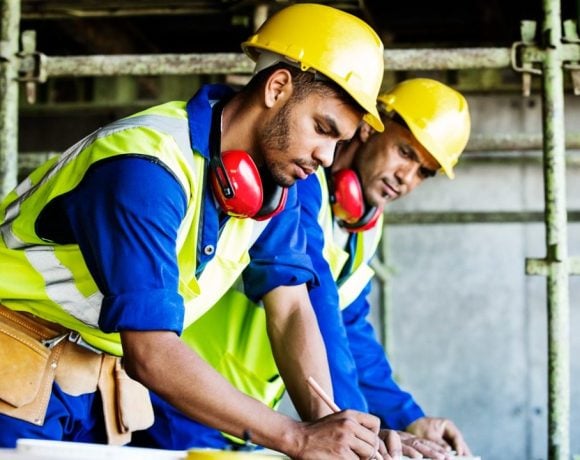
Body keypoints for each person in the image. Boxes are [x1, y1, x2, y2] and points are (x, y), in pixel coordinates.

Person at [0, 4, 401, 458]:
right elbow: (150, 350)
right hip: (15, 370)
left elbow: (290, 308)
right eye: (322, 128)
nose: (327, 158)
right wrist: (297, 438)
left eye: (339, 142)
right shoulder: (145, 166)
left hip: (92, 391)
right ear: (277, 87)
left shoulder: (274, 187)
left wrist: (334, 428)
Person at [154, 78, 473, 459]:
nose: (407, 177)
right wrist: (357, 431)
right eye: (405, 152)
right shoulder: (300, 183)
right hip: (182, 394)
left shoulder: (364, 226)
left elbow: (349, 325)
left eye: (423, 172)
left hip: (246, 415)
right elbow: (314, 304)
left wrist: (409, 419)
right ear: (371, 127)